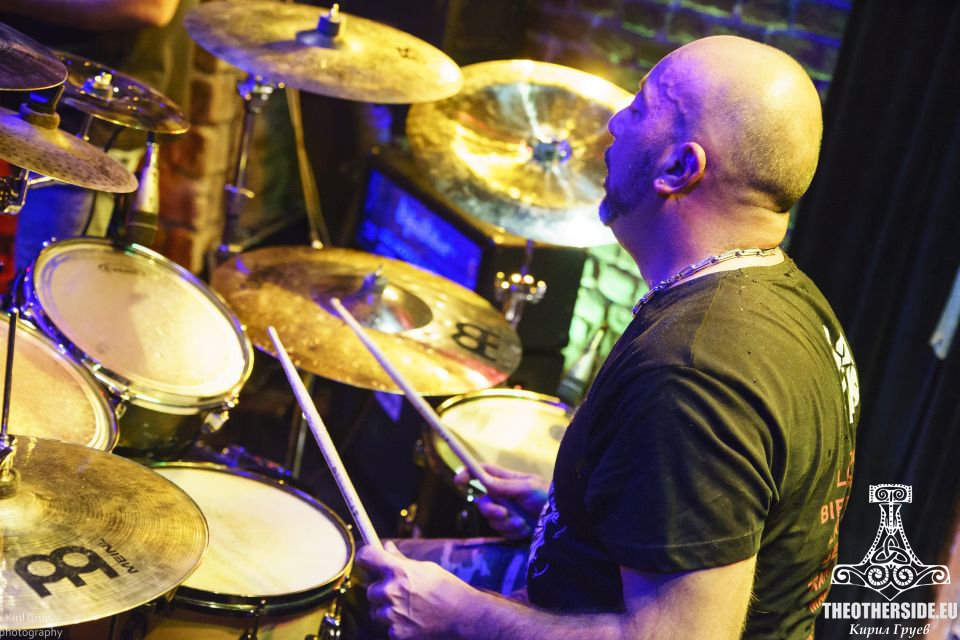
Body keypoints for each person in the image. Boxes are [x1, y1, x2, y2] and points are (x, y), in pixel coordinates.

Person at [356, 35, 860, 639]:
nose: (615, 123)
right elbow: (717, 518)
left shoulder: (691, 373)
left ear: (679, 168)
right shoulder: (795, 301)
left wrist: (458, 616)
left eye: (641, 107)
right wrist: (572, 512)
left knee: (365, 593)